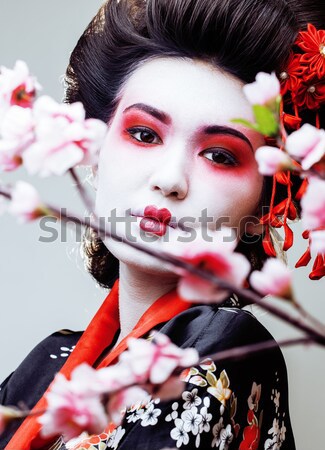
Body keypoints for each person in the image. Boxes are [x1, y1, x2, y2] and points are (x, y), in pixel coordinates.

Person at [1, 0, 324, 448]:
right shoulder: (47, 363)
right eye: (144, 133)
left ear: (265, 204)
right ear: (95, 150)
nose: (170, 179)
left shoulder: (223, 350)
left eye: (220, 155)